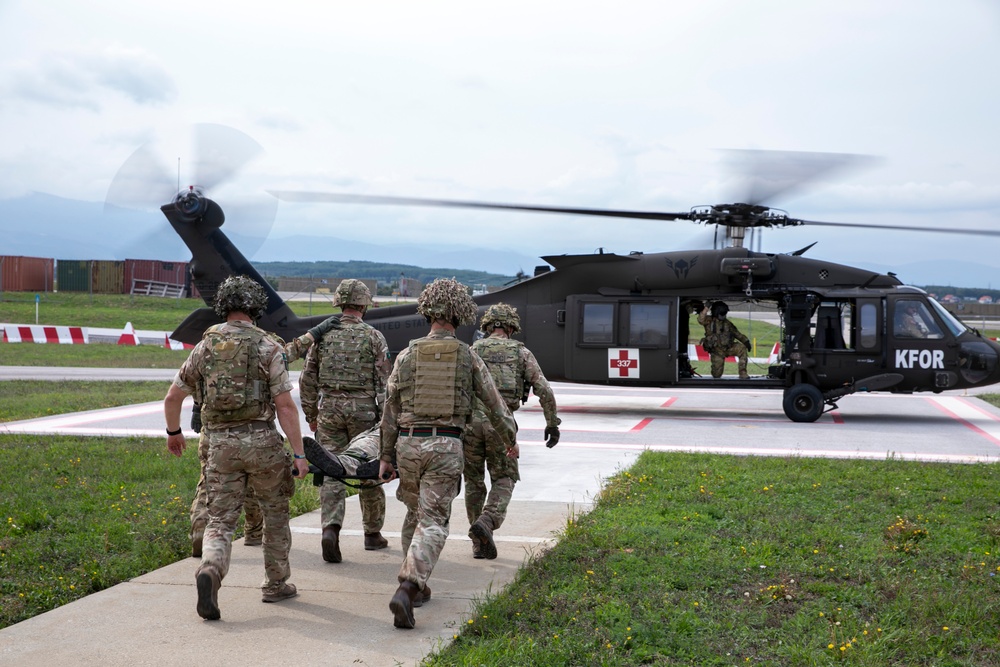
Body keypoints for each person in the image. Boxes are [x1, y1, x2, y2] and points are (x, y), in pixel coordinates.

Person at [163, 274, 309, 621]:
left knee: (221, 518)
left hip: (220, 446)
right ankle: (276, 584)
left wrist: (174, 432)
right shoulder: (268, 346)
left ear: (224, 306)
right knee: (274, 512)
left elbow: (173, 396)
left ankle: (211, 569)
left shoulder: (205, 346)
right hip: (262, 442)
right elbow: (286, 407)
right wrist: (300, 454)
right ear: (255, 308)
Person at [377, 278, 518, 630]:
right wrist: (509, 438)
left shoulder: (407, 355)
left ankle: (417, 585)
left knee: (415, 512)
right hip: (444, 445)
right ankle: (409, 587)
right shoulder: (467, 356)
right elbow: (496, 406)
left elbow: (389, 411)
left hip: (407, 445)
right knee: (434, 522)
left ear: (427, 312)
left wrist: (385, 455)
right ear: (461, 314)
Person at [299, 279, 392, 562]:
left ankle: (331, 528)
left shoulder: (323, 336)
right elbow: (385, 384)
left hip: (329, 410)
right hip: (364, 412)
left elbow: (307, 378)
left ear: (339, 303)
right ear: (364, 304)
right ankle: (372, 534)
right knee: (368, 470)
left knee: (331, 469)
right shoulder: (374, 337)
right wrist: (385, 426)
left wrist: (311, 414)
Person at [464, 303, 560, 560]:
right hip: (501, 424)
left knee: (473, 482)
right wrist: (552, 423)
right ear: (511, 326)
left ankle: (477, 542)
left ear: (487, 325)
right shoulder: (521, 353)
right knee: (505, 477)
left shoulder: (473, 350)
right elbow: (544, 389)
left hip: (470, 423)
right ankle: (488, 519)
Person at [188, 401, 262, 556]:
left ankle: (200, 529)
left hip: (212, 429)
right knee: (251, 475)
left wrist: (196, 407)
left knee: (208, 479)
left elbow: (180, 389)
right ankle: (254, 531)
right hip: (250, 430)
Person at [698, 301, 751, 379]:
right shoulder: (709, 321)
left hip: (729, 348)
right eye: (721, 313)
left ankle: (743, 373)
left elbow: (737, 334)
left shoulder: (728, 324)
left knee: (742, 348)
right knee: (716, 375)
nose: (723, 316)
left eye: (724, 313)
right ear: (716, 312)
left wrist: (746, 342)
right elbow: (700, 320)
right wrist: (706, 308)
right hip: (716, 351)